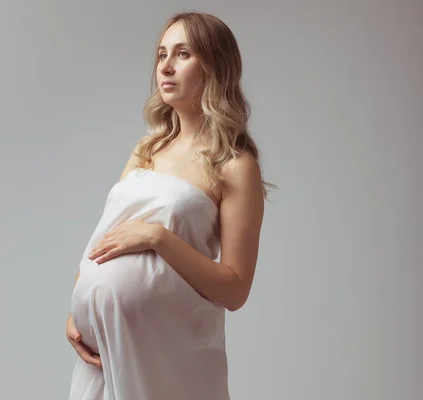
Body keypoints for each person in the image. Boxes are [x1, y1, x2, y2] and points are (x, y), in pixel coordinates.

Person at [66, 11, 274, 400]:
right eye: (162, 54)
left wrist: (159, 238)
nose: (166, 65)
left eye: (182, 53)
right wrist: (78, 311)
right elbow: (105, 235)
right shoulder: (148, 149)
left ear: (214, 66)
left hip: (171, 357)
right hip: (105, 356)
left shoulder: (234, 165)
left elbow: (235, 290)